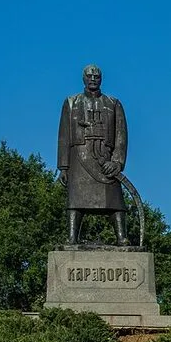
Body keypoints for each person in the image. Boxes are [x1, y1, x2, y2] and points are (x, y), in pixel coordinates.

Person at [57, 64, 129, 245]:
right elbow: (64, 136)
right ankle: (72, 238)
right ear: (83, 78)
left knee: (115, 200)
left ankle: (122, 237)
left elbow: (121, 135)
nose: (93, 79)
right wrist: (63, 167)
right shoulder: (71, 102)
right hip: (79, 157)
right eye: (89, 76)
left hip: (105, 158)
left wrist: (117, 162)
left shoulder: (113, 103)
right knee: (76, 199)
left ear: (101, 79)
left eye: (96, 76)